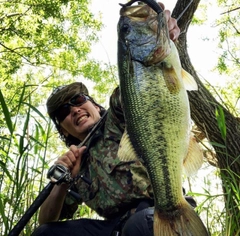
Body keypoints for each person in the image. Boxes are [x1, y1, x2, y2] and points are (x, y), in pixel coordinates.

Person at [32, 4, 196, 236]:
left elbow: (140, 82)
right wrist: (64, 180)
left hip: (152, 212)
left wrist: (159, 31)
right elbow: (46, 219)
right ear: (64, 129)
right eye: (63, 113)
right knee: (45, 234)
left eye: (78, 100)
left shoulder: (119, 115)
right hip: (113, 229)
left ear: (94, 105)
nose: (75, 110)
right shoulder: (76, 165)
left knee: (139, 225)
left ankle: (174, 217)